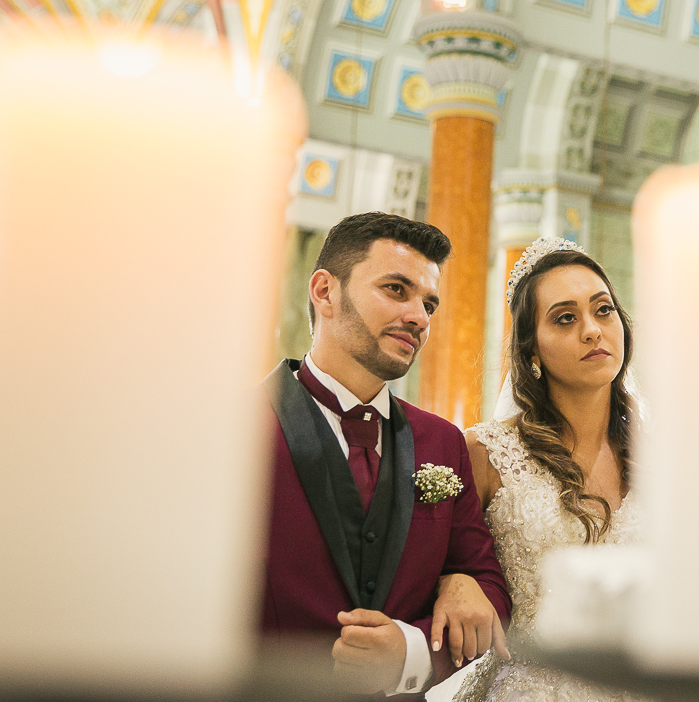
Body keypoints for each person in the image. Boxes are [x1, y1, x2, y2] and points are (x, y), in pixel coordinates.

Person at [260, 212, 512, 697]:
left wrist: (413, 651)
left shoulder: (442, 442)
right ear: (325, 291)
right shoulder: (233, 430)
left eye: (429, 304)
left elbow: (492, 592)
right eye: (396, 290)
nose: (419, 317)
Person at [452, 237, 647, 702]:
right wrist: (454, 579)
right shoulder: (486, 452)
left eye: (603, 311)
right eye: (565, 318)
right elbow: (441, 560)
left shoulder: (664, 456)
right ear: (532, 351)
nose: (592, 330)